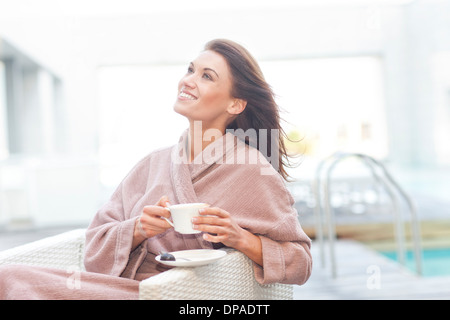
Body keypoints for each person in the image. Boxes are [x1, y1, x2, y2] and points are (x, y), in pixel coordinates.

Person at [0, 39, 312, 300]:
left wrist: (241, 239)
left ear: (235, 104)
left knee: (14, 283)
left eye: (207, 76)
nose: (188, 80)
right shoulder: (153, 163)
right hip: (130, 289)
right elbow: (95, 239)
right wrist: (138, 229)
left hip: (185, 296)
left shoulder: (250, 171)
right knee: (9, 278)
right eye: (190, 70)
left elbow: (301, 261)